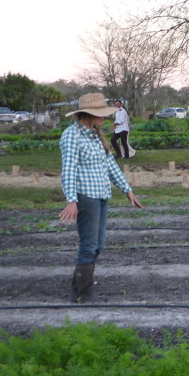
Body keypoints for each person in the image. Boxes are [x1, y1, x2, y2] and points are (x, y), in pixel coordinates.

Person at [59, 93, 144, 303]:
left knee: (99, 245)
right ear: (88, 114)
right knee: (89, 245)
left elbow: (109, 165)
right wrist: (72, 200)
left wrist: (127, 190)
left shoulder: (95, 135)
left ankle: (78, 286)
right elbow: (68, 171)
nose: (104, 118)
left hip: (102, 196)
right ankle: (83, 294)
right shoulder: (72, 135)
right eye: (100, 114)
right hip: (86, 197)